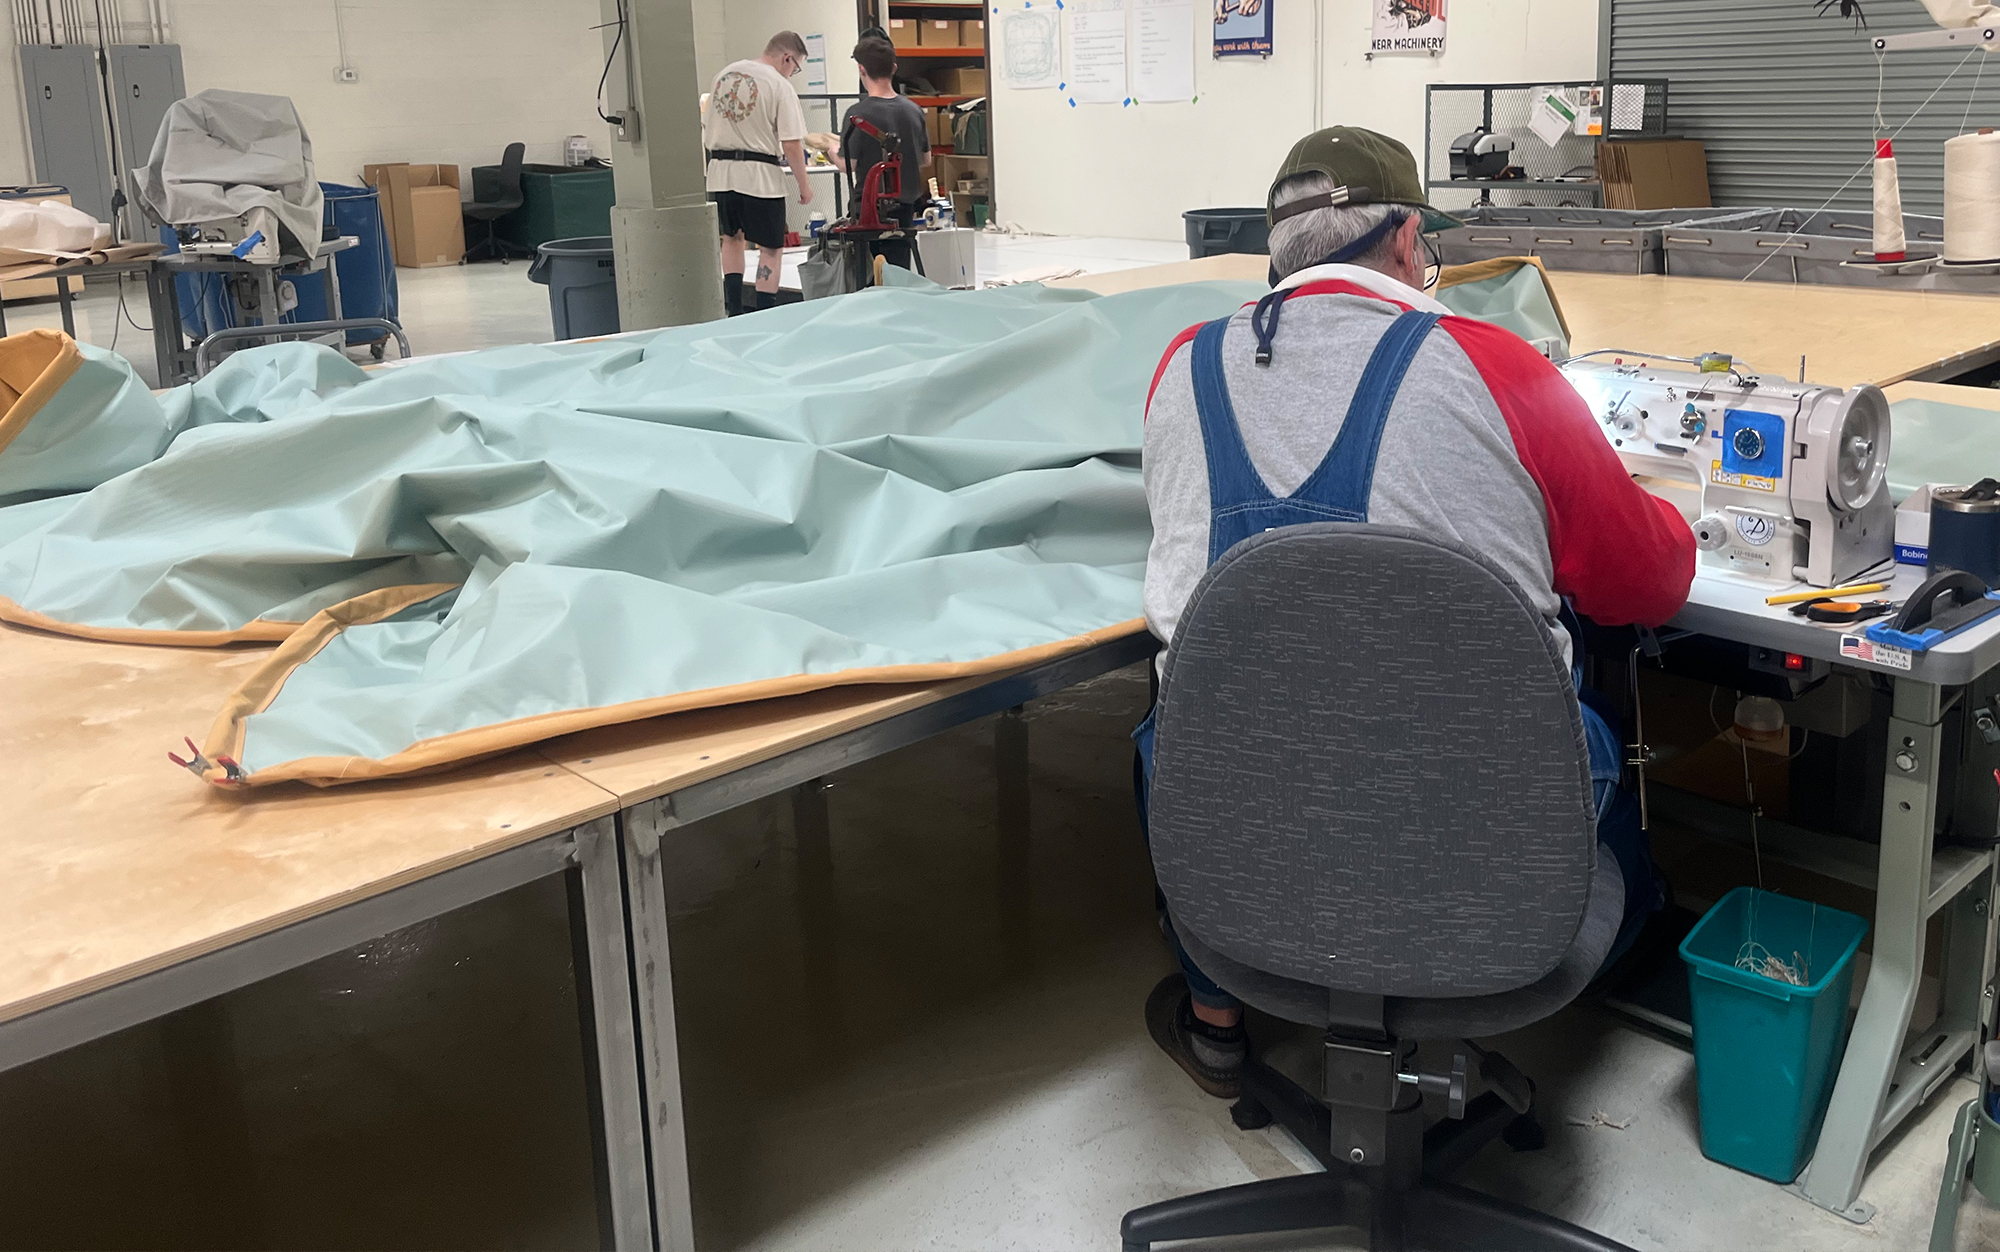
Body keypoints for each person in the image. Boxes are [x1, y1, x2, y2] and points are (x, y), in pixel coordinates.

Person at [1134, 126, 1697, 1099]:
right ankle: (1626, 948)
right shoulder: (1502, 368)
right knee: (1586, 730)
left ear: (1278, 253)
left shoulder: (1180, 366)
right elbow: (1644, 585)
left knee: (1177, 726)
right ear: (1404, 243)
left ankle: (1217, 1023)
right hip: (1463, 813)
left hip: (1239, 815)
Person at [704, 31, 814, 316]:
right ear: (787, 58)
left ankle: (735, 309)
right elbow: (791, 144)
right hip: (760, 177)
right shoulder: (778, 84)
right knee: (770, 248)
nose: (792, 73)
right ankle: (764, 312)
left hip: (720, 173)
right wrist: (804, 185)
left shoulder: (723, 75)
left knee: (731, 239)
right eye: (795, 67)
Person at [831, 33, 930, 272]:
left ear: (861, 69)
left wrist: (831, 151)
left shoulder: (857, 114)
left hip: (868, 214)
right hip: (905, 210)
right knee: (898, 273)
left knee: (867, 276)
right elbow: (925, 159)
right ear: (894, 68)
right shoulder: (914, 111)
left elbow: (848, 165)